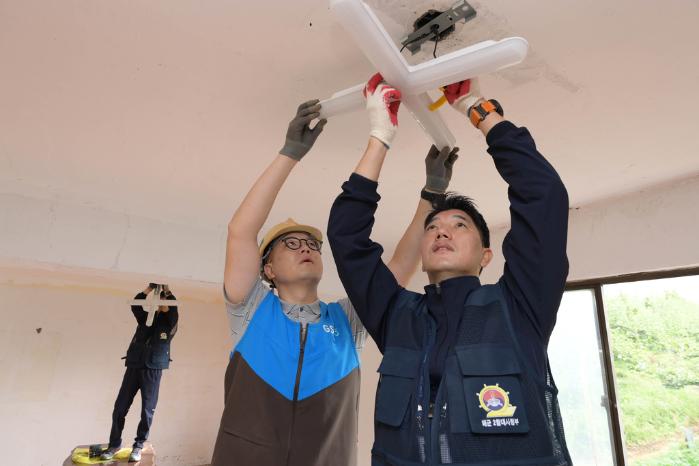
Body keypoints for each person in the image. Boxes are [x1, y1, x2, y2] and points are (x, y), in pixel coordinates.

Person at [328, 76, 572, 465]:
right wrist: (380, 135)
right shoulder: (395, 315)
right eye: (433, 227)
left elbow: (544, 194)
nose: (442, 230)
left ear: (486, 256)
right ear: (423, 254)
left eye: (460, 225)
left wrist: (478, 109)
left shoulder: (518, 307)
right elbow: (346, 238)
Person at [210, 95, 459, 466]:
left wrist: (432, 196)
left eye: (311, 244)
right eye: (290, 245)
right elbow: (240, 232)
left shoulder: (346, 320)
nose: (305, 248)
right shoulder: (252, 309)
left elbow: (399, 266)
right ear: (269, 270)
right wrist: (290, 153)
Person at [101, 283, 178, 463]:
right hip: (134, 366)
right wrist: (149, 289)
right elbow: (136, 304)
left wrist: (166, 291)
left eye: (163, 301)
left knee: (147, 411)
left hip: (153, 369)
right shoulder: (146, 319)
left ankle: (138, 445)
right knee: (120, 407)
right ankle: (114, 444)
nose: (160, 303)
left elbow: (171, 307)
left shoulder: (170, 321)